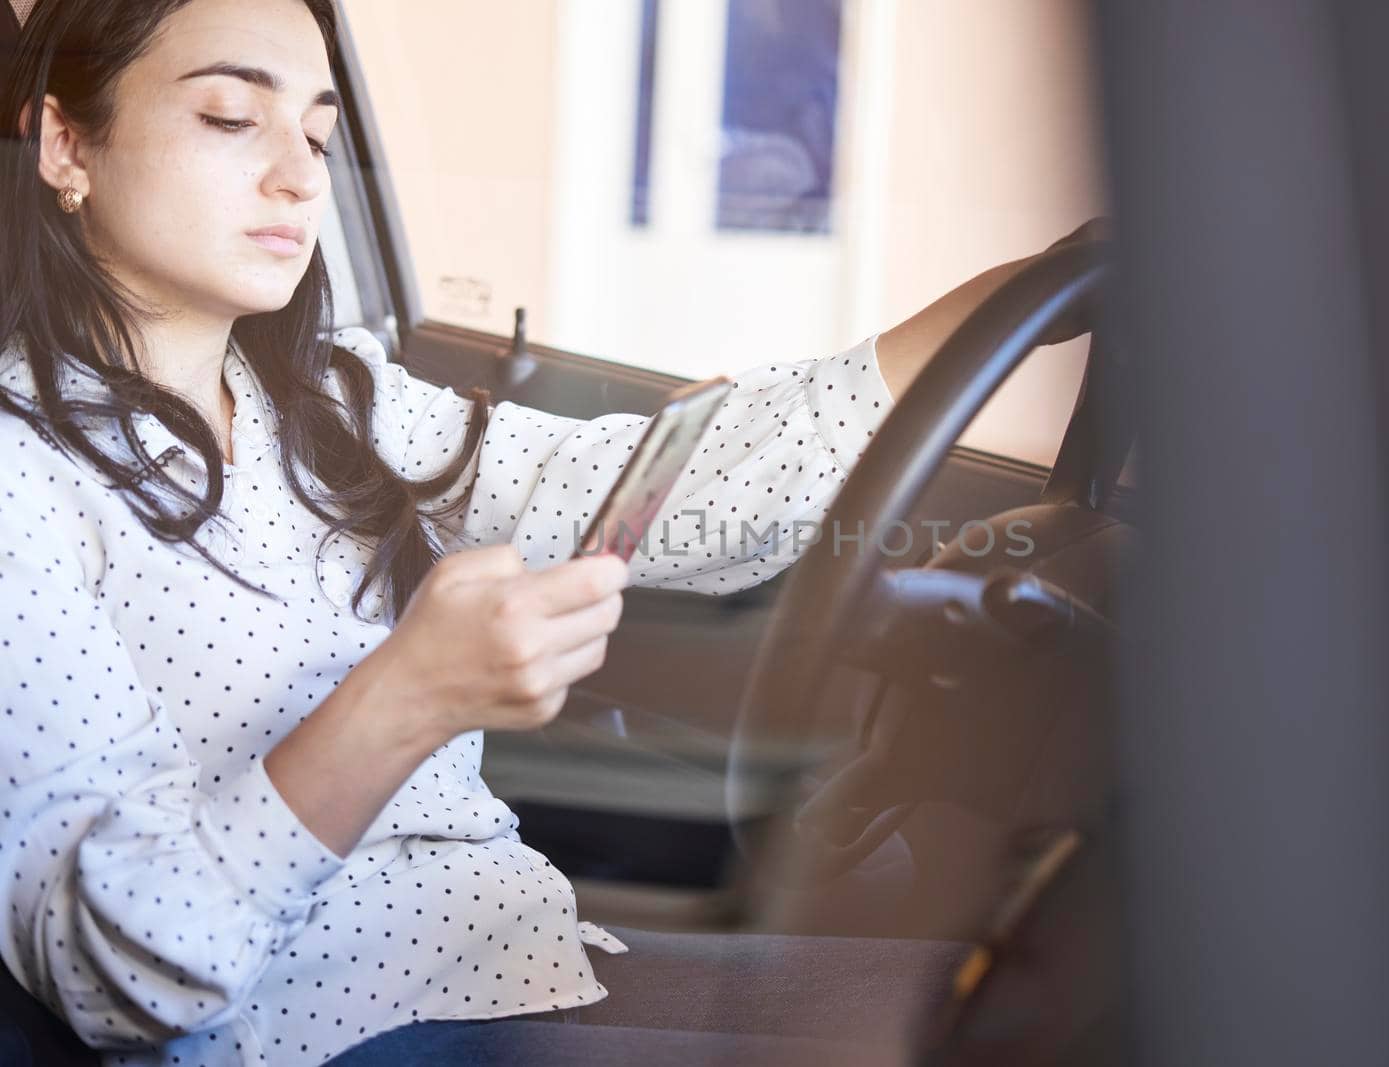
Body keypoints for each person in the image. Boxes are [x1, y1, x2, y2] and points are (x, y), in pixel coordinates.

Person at [0, 0, 1063, 1063]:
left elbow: (660, 494)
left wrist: (1017, 298)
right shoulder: (21, 477)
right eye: (232, 118)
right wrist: (408, 695)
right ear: (66, 144)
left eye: (319, 135)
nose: (300, 175)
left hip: (507, 951)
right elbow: (116, 967)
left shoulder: (329, 397)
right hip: (309, 1030)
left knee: (1022, 1005)